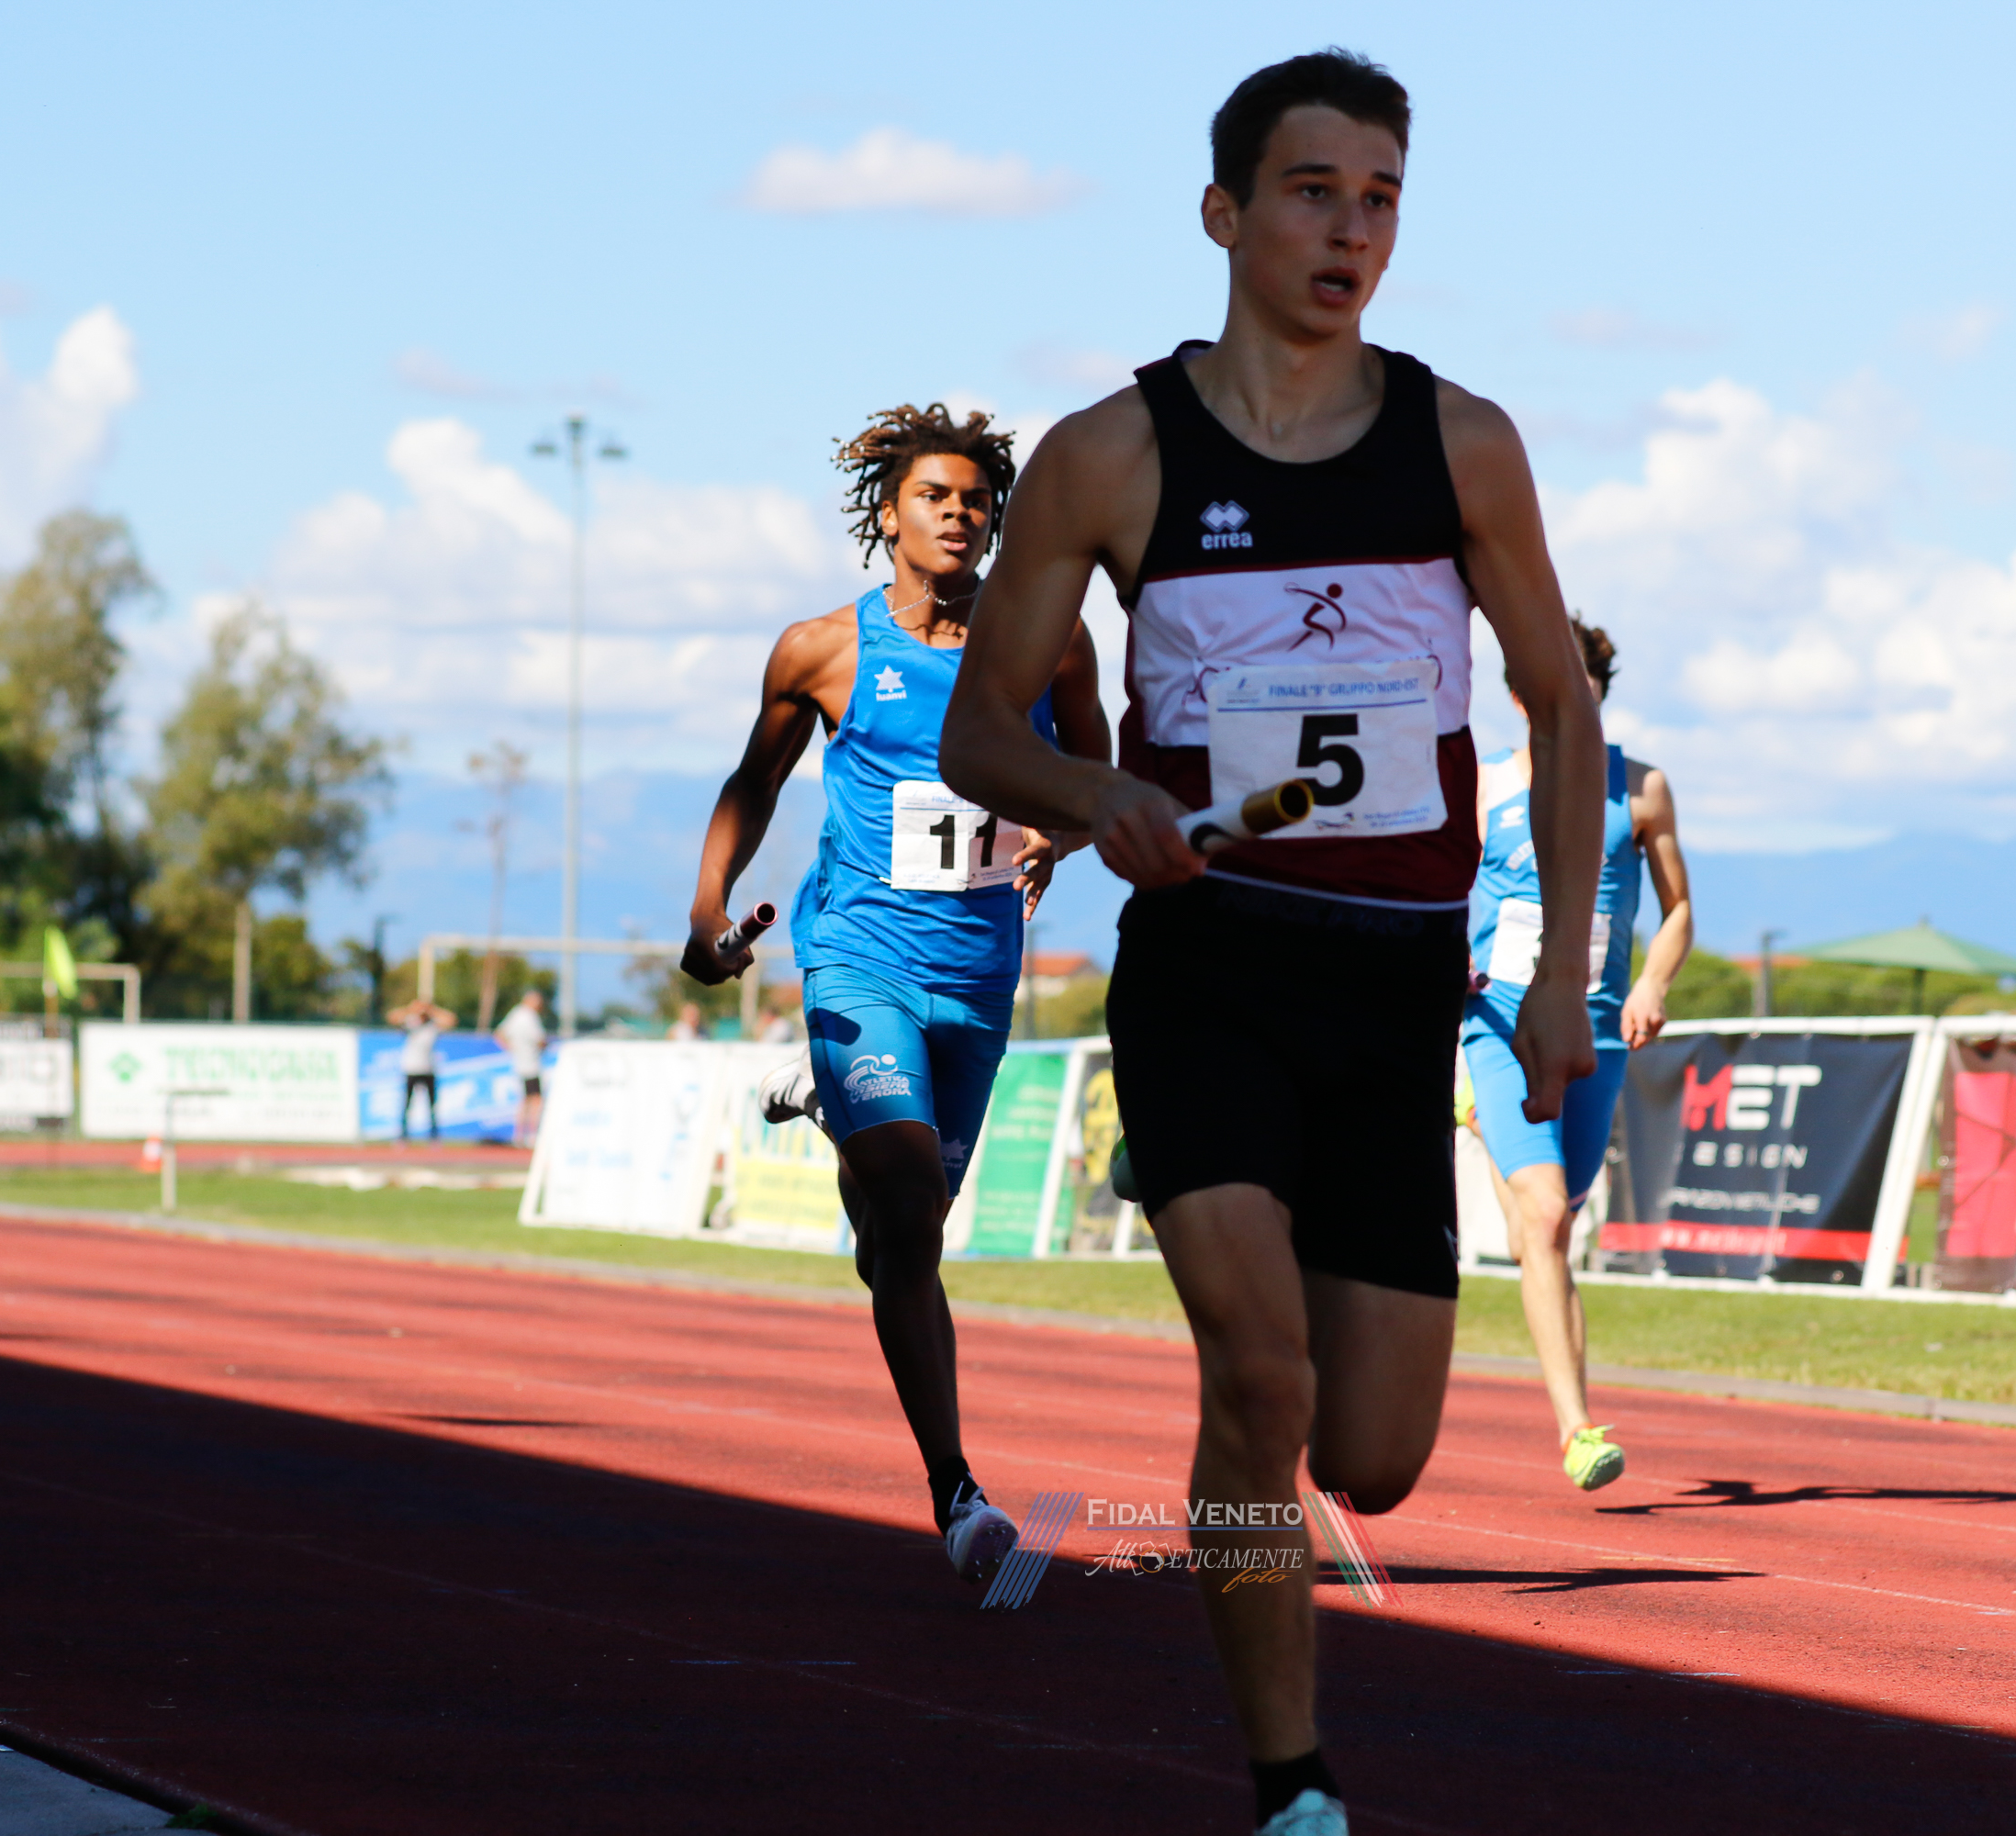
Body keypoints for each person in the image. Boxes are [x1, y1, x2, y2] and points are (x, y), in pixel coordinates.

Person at [939, 51, 1603, 1836]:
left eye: (1381, 199)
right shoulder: (1110, 455)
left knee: (1369, 1456)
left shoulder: (1462, 445)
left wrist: (1558, 976)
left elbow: (1559, 704)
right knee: (1259, 1375)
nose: (1351, 230)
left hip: (1397, 988)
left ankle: (1257, 1483)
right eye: (1316, 191)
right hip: (1211, 971)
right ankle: (1293, 1789)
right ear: (1225, 212)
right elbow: (980, 731)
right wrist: (1098, 793)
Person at [682, 404, 1111, 1587]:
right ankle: (958, 1492)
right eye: (935, 496)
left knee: (893, 1244)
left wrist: (1064, 830)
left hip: (977, 976)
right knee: (913, 1203)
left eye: (977, 500)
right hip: (858, 955)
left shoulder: (1051, 643)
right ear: (888, 515)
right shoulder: (821, 649)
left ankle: (833, 1103)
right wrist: (708, 912)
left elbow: (1095, 779)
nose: (959, 515)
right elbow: (753, 780)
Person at [1463, 618, 1691, 1492]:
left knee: (1545, 1229)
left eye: (1584, 691)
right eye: (1549, 689)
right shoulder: (1487, 787)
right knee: (1548, 1218)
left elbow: (1677, 909)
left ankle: (1481, 1124)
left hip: (1598, 1035)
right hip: (1499, 1024)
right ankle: (1577, 1429)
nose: (1568, 704)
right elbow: (1442, 890)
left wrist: (1651, 985)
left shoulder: (1641, 790)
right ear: (1519, 697)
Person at [387, 995, 457, 1141]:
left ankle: (434, 1137)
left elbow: (452, 1020)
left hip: (428, 1069)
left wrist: (432, 1009)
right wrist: (411, 1009)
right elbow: (391, 1017)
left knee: (432, 1106)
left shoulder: (433, 1025)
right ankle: (403, 1136)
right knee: (407, 1105)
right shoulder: (411, 1023)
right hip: (411, 1069)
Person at [497, 990, 550, 1147]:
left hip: (519, 1064)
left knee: (525, 1101)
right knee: (535, 1101)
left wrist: (513, 1049)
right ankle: (532, 1135)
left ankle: (519, 1135)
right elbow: (540, 1040)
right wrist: (543, 1046)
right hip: (531, 1065)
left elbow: (500, 1034)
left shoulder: (515, 1014)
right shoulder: (529, 1017)